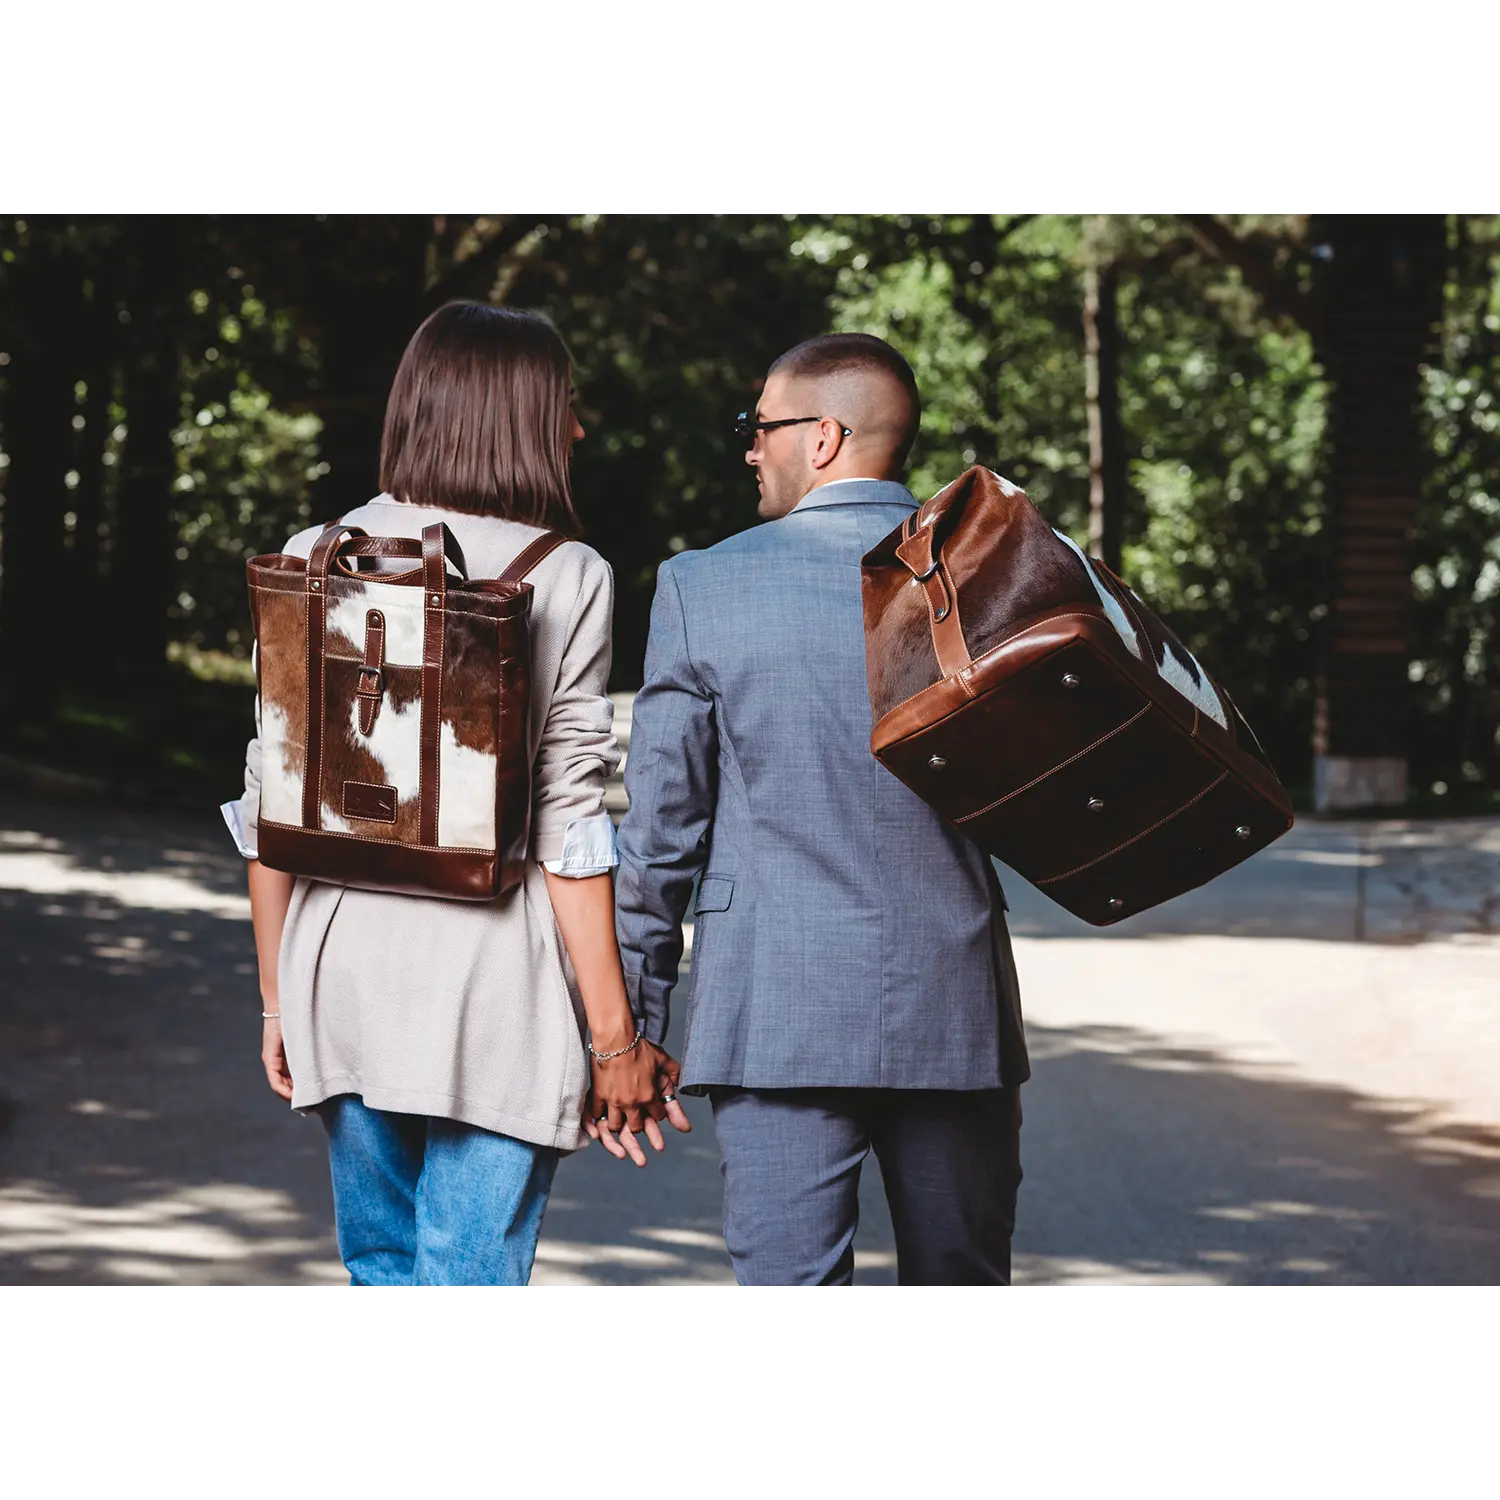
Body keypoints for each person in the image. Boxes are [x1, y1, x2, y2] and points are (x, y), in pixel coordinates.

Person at [237, 302, 687, 1288]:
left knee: (384, 1273)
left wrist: (278, 1001)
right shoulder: (567, 574)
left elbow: (272, 805)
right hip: (496, 986)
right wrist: (617, 1041)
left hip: (340, 970)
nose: (578, 430)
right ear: (517, 417)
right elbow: (573, 824)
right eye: (565, 406)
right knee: (468, 1286)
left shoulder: (316, 550)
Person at [613, 333, 1029, 1287]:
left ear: (826, 436)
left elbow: (662, 830)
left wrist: (633, 1025)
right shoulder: (991, 575)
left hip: (776, 1011)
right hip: (953, 1006)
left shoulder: (703, 585)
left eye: (761, 428)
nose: (750, 449)